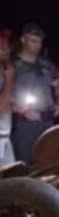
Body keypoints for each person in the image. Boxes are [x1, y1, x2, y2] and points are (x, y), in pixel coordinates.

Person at [11, 23, 59, 164]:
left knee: (48, 161)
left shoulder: (46, 65)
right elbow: (3, 96)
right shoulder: (11, 66)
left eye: (40, 41)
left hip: (47, 121)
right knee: (24, 165)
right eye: (33, 41)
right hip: (24, 125)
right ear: (23, 40)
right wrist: (22, 110)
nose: (37, 45)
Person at [0, 29, 15, 165]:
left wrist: (16, 106)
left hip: (4, 136)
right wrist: (9, 79)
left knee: (10, 181)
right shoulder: (7, 73)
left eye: (7, 45)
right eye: (2, 46)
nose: (7, 49)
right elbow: (1, 106)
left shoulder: (2, 70)